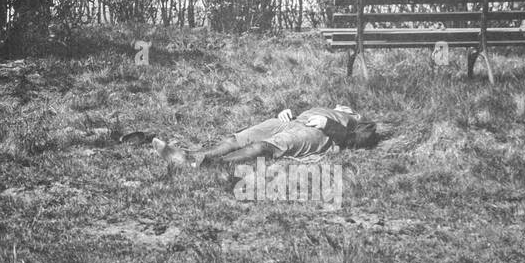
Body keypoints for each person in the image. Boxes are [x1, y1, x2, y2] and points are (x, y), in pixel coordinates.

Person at [153, 105, 377, 167]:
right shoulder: (327, 107)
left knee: (263, 147)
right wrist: (287, 114)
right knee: (239, 138)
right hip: (294, 122)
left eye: (345, 107)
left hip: (318, 133)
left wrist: (331, 125)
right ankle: (189, 155)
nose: (341, 104)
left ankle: (205, 164)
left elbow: (360, 141)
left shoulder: (360, 120)